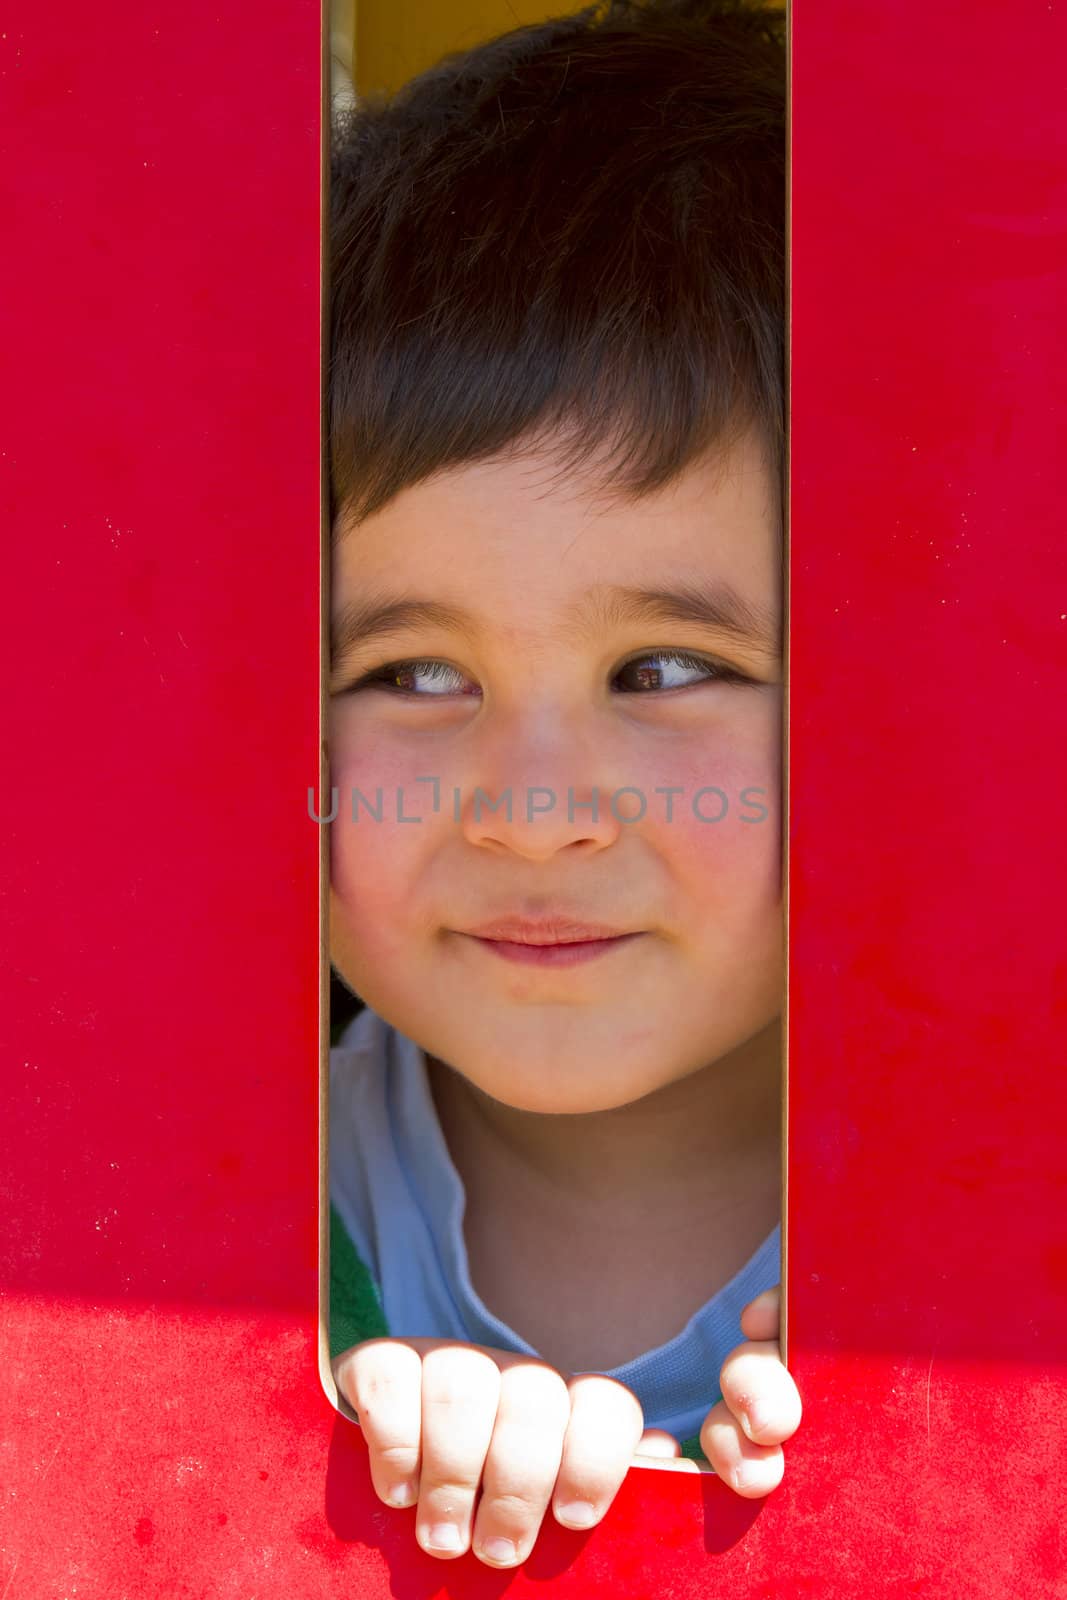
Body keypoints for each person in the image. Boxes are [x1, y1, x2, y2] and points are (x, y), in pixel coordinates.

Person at [325, 0, 802, 1569]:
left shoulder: (1019, 1223)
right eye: (412, 674)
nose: (532, 813)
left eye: (662, 670)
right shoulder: (195, 1221)